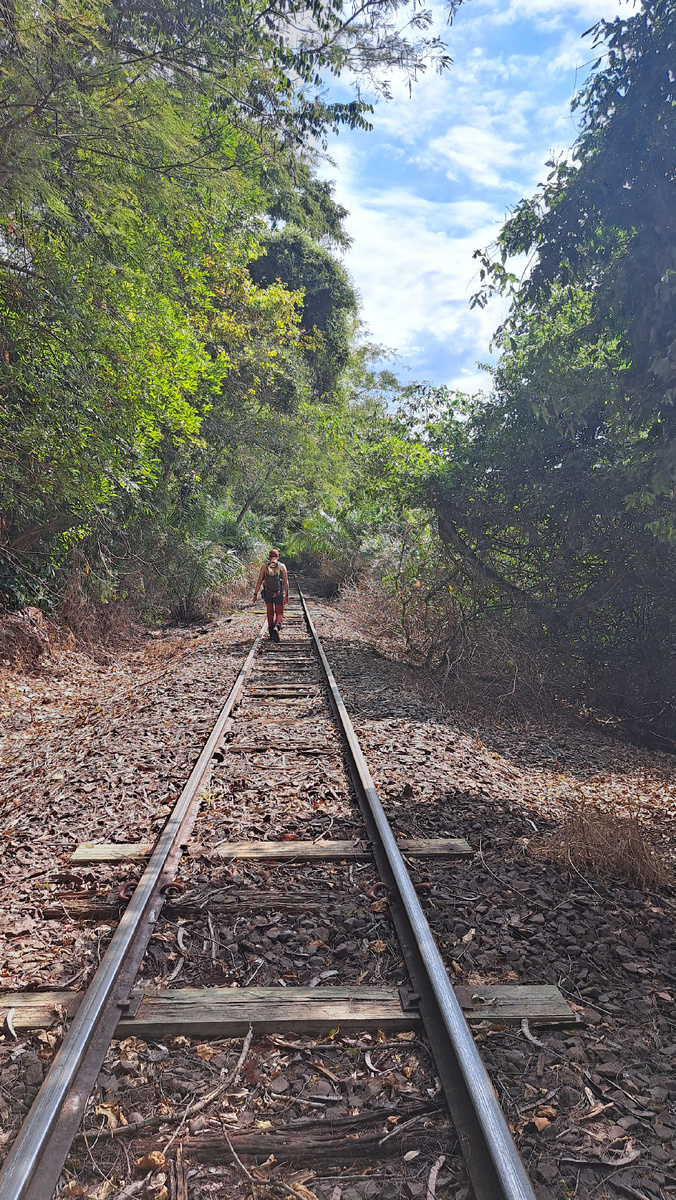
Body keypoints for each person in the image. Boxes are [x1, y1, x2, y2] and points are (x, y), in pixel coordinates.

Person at [253, 549, 289, 641]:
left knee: (270, 612)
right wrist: (286, 595)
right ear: (277, 556)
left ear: (269, 556)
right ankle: (277, 626)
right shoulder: (282, 566)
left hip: (268, 593)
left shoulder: (264, 567)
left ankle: (271, 633)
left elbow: (259, 581)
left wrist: (255, 594)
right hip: (278, 593)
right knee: (279, 612)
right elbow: (285, 582)